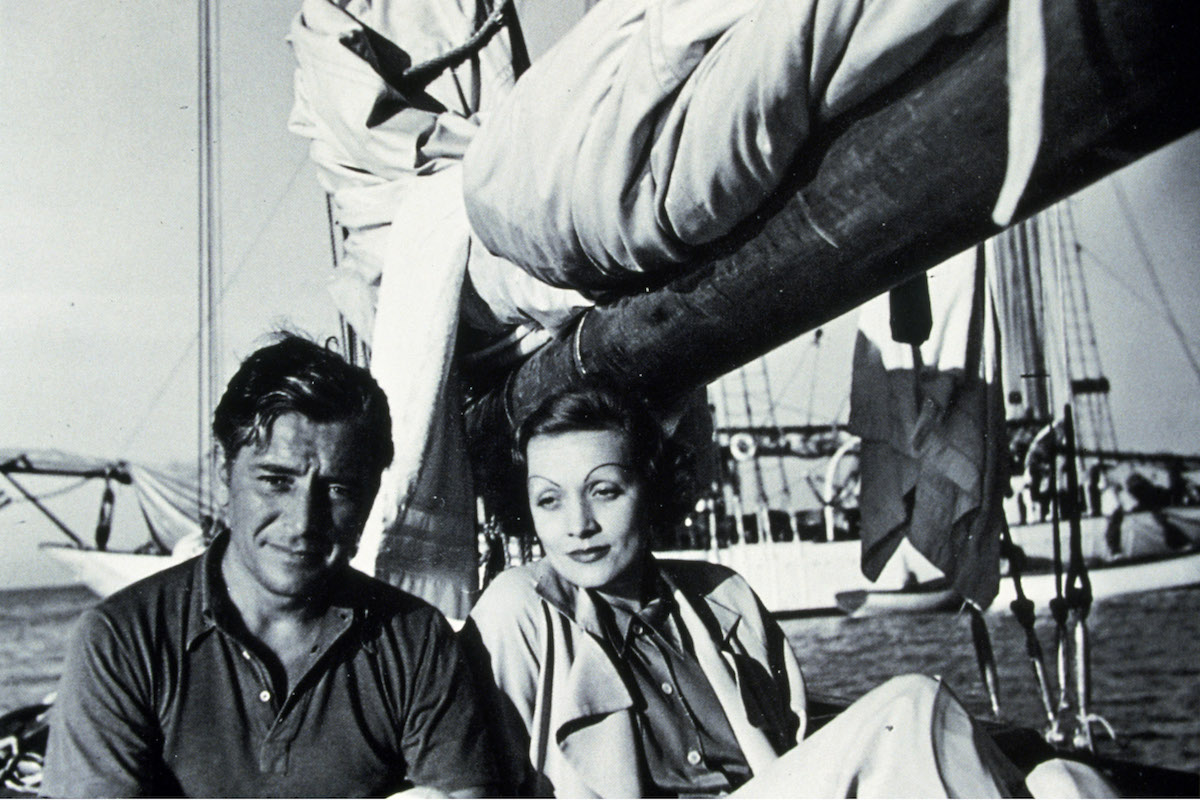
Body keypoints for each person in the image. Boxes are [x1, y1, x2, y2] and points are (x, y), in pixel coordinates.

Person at [464, 381, 1117, 797]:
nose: (577, 525)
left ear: (650, 490)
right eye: (548, 501)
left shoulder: (721, 598)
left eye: (603, 491)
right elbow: (478, 776)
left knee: (1067, 781)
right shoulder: (523, 612)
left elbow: (798, 743)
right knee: (913, 706)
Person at [41, 334, 498, 797]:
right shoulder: (122, 640)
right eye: (277, 481)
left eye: (338, 489)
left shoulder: (416, 642)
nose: (304, 522)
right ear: (225, 476)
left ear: (370, 499)